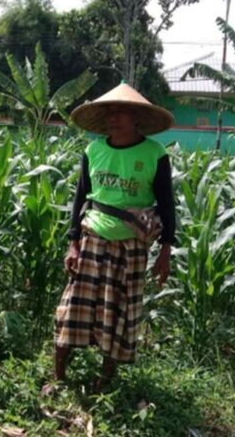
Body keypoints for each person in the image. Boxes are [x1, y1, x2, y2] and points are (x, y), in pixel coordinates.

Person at [51, 82, 176, 391]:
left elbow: (166, 202)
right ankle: (58, 377)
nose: (112, 118)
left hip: (132, 245)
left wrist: (165, 251)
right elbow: (80, 198)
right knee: (72, 309)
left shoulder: (154, 154)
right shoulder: (93, 150)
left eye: (120, 112)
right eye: (108, 112)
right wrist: (73, 243)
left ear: (136, 118)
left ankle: (104, 379)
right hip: (93, 238)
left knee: (119, 312)